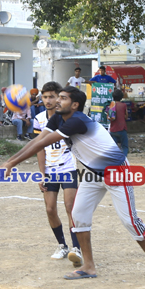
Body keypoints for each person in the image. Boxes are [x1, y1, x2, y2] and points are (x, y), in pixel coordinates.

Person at [1, 85, 145, 283]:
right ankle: (88, 266)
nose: (57, 101)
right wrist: (10, 161)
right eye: (58, 97)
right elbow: (38, 140)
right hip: (92, 173)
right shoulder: (58, 118)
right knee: (78, 216)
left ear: (75, 105)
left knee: (130, 221)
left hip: (116, 172)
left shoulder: (77, 121)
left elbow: (42, 144)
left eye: (63, 98)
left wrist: (11, 163)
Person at [33, 81, 82, 267]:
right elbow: (39, 148)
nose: (48, 100)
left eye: (52, 97)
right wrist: (42, 173)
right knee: (50, 209)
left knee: (70, 207)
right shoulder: (39, 119)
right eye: (45, 97)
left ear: (59, 98)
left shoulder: (68, 117)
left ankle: (76, 247)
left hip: (68, 168)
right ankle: (62, 245)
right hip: (50, 170)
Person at [107, 88, 129, 158]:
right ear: (121, 97)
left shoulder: (111, 105)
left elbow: (108, 116)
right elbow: (126, 117)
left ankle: (114, 160)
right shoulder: (123, 105)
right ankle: (123, 160)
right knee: (124, 146)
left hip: (113, 129)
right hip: (122, 128)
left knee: (114, 148)